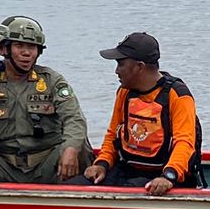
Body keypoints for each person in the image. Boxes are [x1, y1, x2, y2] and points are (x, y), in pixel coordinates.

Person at [0, 16, 89, 184]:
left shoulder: (52, 81)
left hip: (46, 163)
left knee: (81, 150)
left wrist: (70, 150)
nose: (26, 53)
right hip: (2, 163)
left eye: (32, 47)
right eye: (19, 46)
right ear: (2, 49)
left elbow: (74, 118)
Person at [78, 32, 201, 196]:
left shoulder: (178, 95)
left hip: (164, 175)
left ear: (139, 66)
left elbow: (184, 143)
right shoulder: (124, 92)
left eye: (121, 64)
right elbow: (112, 134)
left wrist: (168, 177)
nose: (116, 71)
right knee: (76, 185)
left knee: (130, 190)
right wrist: (102, 163)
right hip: (128, 170)